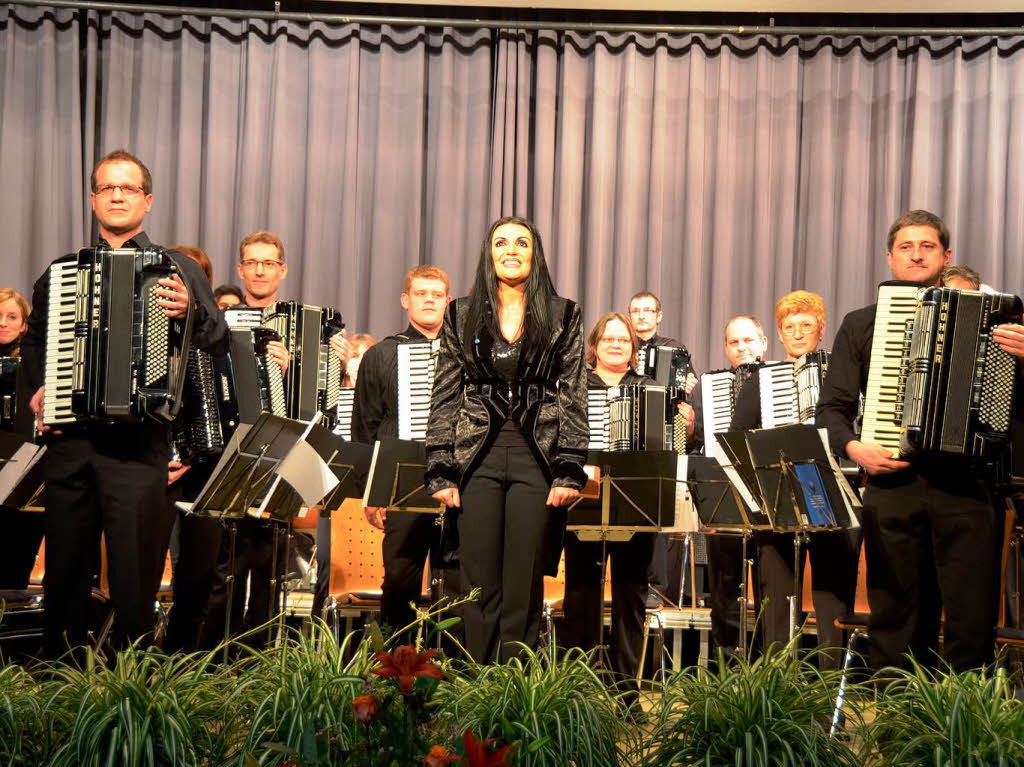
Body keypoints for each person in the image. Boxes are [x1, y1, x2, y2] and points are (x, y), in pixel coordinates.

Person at [20, 149, 229, 657]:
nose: (117, 196)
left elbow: (219, 338)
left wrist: (191, 310)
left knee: (135, 581)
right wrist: (37, 390)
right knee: (65, 575)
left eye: (128, 188)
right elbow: (34, 341)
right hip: (71, 443)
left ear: (147, 200)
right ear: (93, 200)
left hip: (139, 447)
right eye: (107, 188)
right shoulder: (62, 271)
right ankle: (61, 692)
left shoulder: (176, 267)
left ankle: (130, 695)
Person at [817, 209, 1024, 672]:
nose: (916, 255)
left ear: (946, 255)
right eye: (905, 247)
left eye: (927, 246)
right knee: (895, 618)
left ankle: (960, 735)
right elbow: (832, 409)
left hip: (967, 485)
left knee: (970, 620)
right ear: (890, 258)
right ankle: (898, 733)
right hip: (893, 486)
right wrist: (854, 447)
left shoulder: (997, 318)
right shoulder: (862, 322)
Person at [425, 215, 589, 663]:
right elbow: (444, 394)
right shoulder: (460, 312)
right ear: (489, 252)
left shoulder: (564, 313)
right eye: (501, 243)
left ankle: (513, 690)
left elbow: (573, 392)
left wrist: (569, 467)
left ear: (535, 254)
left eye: (521, 242)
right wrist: (440, 466)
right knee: (477, 582)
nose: (511, 250)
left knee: (525, 580)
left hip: (537, 459)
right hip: (476, 456)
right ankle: (477, 688)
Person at [729, 291, 859, 666]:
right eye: (790, 327)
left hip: (834, 490)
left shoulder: (844, 372)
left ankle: (830, 682)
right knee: (777, 594)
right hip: (777, 496)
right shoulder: (761, 379)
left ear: (822, 330)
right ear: (780, 334)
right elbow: (738, 435)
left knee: (833, 591)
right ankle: (779, 685)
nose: (798, 334)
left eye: (806, 326)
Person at [562, 312, 660, 699]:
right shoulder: (575, 387)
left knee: (631, 595)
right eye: (609, 339)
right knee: (581, 592)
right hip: (582, 498)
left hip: (634, 501)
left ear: (633, 349)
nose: (616, 344)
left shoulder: (650, 388)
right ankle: (578, 693)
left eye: (624, 340)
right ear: (595, 347)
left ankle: (625, 693)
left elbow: (661, 449)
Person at [352, 266, 451, 638]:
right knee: (399, 580)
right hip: (401, 484)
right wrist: (372, 492)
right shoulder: (381, 354)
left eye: (437, 294)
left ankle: (455, 677)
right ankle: (394, 674)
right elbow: (365, 427)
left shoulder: (463, 356)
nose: (429, 300)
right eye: (421, 293)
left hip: (457, 484)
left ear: (447, 302)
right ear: (405, 300)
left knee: (456, 584)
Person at [689, 314, 768, 657]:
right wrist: (688, 426)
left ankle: (768, 659)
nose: (742, 347)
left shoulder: (777, 378)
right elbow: (699, 443)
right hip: (724, 489)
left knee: (768, 582)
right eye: (734, 342)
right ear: (725, 348)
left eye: (749, 340)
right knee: (725, 581)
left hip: (767, 489)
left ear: (763, 343)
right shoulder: (708, 386)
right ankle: (728, 659)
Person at [628, 291, 698, 606]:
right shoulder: (621, 345)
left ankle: (662, 589)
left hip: (669, 432)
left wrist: (687, 392)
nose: (641, 315)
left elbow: (684, 395)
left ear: (659, 315)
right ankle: (634, 583)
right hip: (629, 432)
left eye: (648, 310)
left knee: (664, 508)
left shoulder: (675, 349)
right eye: (636, 310)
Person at [0, 287, 42, 591]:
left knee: (16, 561)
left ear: (24, 324)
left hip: (23, 474)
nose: (3, 322)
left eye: (11, 316)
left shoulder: (35, 367)